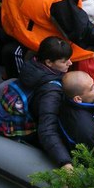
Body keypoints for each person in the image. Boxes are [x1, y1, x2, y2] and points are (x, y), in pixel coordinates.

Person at [19, 36, 73, 169]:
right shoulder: (51, 91)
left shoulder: (31, 63)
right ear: (49, 62)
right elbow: (47, 129)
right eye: (64, 61)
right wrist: (65, 162)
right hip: (30, 130)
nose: (70, 63)